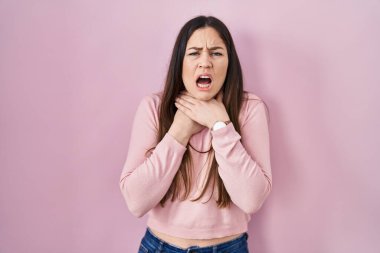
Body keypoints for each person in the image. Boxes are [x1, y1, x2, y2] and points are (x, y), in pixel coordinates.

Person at [119, 15, 272, 253]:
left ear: (229, 63)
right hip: (159, 247)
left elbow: (251, 199)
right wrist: (179, 132)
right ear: (180, 62)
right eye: (194, 53)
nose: (205, 62)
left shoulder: (250, 108)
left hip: (228, 247)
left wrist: (220, 125)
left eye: (216, 53)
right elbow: (136, 202)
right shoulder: (153, 108)